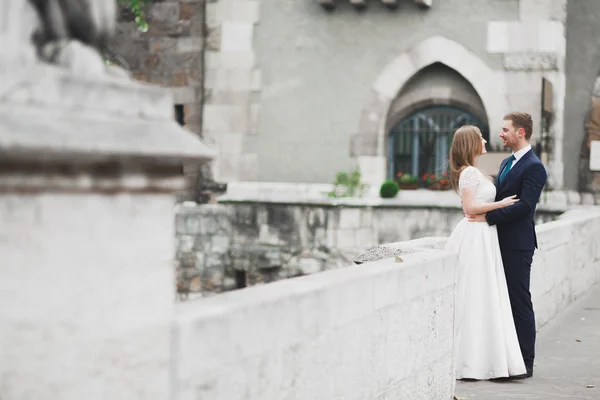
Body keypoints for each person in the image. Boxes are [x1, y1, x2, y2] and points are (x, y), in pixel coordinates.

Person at [467, 112, 547, 378]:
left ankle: (526, 362)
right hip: (496, 242)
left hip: (517, 245)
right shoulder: (505, 163)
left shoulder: (535, 166)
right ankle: (507, 360)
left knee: (519, 301)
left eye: (505, 130)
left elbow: (525, 207)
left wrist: (487, 217)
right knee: (500, 301)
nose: (500, 134)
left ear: (521, 132)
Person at [445, 125, 527, 380]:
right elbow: (469, 208)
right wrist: (500, 205)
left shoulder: (475, 171)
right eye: (479, 137)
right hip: (474, 236)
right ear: (470, 143)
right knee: (475, 294)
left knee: (486, 295)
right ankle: (470, 363)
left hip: (484, 234)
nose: (484, 140)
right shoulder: (469, 173)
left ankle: (487, 360)